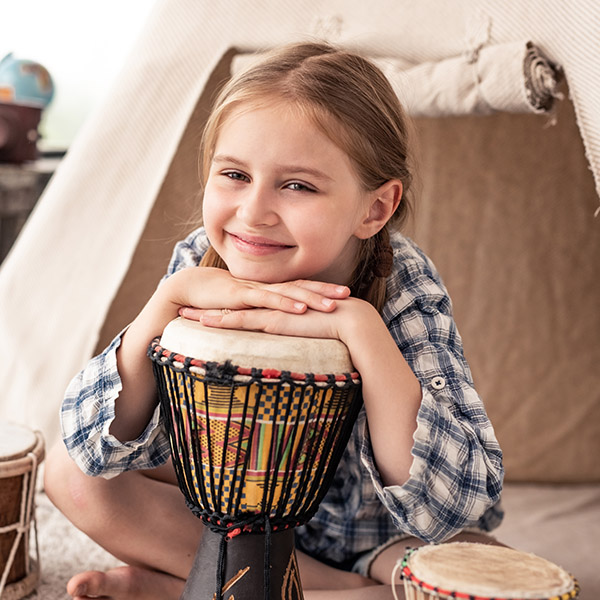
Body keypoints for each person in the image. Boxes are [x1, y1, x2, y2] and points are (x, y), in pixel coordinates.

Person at [44, 42, 504, 600]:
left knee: (493, 577)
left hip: (373, 534)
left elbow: (455, 501)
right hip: (229, 513)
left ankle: (199, 586)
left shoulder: (404, 281)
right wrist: (163, 306)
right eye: (235, 174)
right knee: (70, 477)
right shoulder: (201, 262)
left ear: (374, 209)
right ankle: (329, 590)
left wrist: (359, 328)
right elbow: (96, 444)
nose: (253, 212)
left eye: (298, 185)